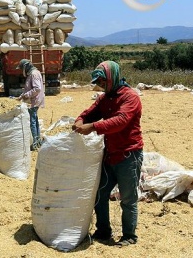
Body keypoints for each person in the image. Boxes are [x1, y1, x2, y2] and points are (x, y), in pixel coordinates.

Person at [72, 60, 144, 247]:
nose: (101, 86)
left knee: (128, 198)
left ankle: (129, 235)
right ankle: (103, 231)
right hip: (110, 154)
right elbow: (89, 113)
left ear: (113, 77)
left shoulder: (130, 97)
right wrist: (80, 120)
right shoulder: (105, 98)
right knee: (99, 193)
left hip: (129, 154)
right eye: (99, 83)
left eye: (103, 82)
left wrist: (93, 127)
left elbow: (120, 120)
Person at [16, 59, 45, 151]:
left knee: (32, 120)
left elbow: (37, 89)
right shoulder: (33, 73)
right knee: (34, 119)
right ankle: (37, 139)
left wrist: (26, 95)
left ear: (25, 67)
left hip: (35, 100)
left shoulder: (34, 74)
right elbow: (28, 89)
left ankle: (34, 142)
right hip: (35, 100)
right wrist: (21, 96)